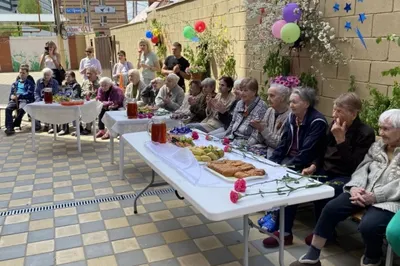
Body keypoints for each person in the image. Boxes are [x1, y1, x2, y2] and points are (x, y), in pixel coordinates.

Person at [262, 92, 375, 248]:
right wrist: (314, 165)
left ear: (353, 114)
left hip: (347, 176)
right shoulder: (333, 125)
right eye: (334, 110)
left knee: (324, 191)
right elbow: (321, 150)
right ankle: (284, 233)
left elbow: (355, 166)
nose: (334, 115)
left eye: (339, 111)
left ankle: (325, 234)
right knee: (293, 184)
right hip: (324, 170)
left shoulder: (365, 133)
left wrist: (341, 140)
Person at [289, 109, 400, 266]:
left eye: (386, 129)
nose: (381, 133)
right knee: (331, 208)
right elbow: (362, 168)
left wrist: (376, 196)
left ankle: (372, 258)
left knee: (369, 226)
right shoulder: (378, 146)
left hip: (389, 199)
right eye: (380, 128)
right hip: (362, 191)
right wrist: (355, 186)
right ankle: (312, 256)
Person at [250, 83, 291, 157]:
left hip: (278, 154)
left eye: (272, 96)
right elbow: (260, 139)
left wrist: (263, 129)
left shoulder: (290, 116)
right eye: (268, 95)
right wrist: (258, 129)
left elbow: (280, 144)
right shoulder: (270, 110)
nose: (268, 99)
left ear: (282, 98)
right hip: (264, 148)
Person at [224, 78, 268, 146]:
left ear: (254, 92)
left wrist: (243, 146)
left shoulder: (262, 106)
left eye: (245, 90)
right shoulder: (239, 103)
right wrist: (226, 138)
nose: (242, 93)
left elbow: (257, 134)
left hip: (246, 142)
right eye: (241, 90)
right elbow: (232, 123)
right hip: (233, 138)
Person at [4, 65, 35, 136]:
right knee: (8, 109)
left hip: (24, 99)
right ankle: (9, 128)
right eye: (20, 72)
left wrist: (19, 96)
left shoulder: (30, 83)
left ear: (27, 74)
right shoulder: (15, 84)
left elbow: (30, 93)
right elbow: (12, 93)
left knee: (22, 109)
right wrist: (11, 97)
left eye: (23, 73)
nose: (21, 74)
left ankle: (15, 123)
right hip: (15, 100)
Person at [77, 66, 100, 136]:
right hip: (85, 102)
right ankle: (79, 128)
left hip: (97, 102)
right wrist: (86, 93)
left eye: (90, 74)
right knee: (75, 109)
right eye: (87, 74)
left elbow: (101, 94)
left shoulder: (100, 82)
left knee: (89, 108)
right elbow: (81, 93)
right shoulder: (85, 82)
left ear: (95, 74)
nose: (88, 75)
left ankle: (88, 128)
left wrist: (92, 93)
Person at [58, 71, 82, 136]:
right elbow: (60, 94)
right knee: (61, 109)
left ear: (73, 77)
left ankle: (77, 129)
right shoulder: (64, 85)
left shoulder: (76, 86)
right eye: (66, 76)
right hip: (65, 104)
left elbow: (75, 95)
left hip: (74, 104)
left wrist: (66, 99)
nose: (67, 78)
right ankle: (64, 129)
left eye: (69, 76)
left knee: (73, 111)